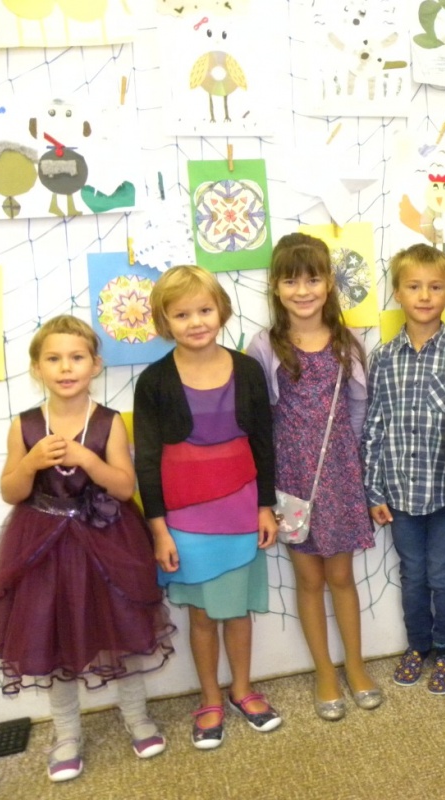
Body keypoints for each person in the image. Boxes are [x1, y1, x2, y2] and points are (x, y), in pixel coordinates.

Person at [0, 316, 173, 782]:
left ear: (95, 365)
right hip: (42, 548)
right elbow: (11, 491)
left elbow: (124, 487)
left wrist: (87, 459)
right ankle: (66, 734)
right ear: (37, 368)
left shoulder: (108, 422)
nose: (66, 367)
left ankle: (137, 716)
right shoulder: (24, 425)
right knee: (52, 637)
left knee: (123, 630)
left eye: (77, 357)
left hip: (106, 543)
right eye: (54, 358)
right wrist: (30, 462)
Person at [135, 266, 281, 750]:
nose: (195, 322)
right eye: (181, 314)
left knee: (237, 611)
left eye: (204, 310)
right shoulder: (154, 381)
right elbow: (147, 460)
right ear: (164, 321)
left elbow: (263, 443)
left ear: (221, 310)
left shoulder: (247, 370)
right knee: (201, 616)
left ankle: (242, 689)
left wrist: (265, 507)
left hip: (241, 510)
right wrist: (159, 530)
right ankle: (210, 696)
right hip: (184, 518)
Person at [247, 232, 380, 722]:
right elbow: (259, 416)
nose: (302, 290)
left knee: (342, 576)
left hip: (340, 473)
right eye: (290, 281)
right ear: (275, 287)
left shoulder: (348, 342)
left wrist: (352, 462)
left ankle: (356, 666)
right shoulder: (264, 345)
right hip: (292, 476)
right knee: (308, 578)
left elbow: (359, 408)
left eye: (312, 279)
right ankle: (324, 671)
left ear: (329, 284)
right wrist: (266, 488)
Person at [362, 244, 445, 694]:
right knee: (412, 574)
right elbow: (374, 425)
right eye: (414, 286)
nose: (425, 296)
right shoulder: (382, 357)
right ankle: (418, 645)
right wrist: (374, 491)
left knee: (443, 574)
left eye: (435, 287)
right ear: (397, 293)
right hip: (399, 493)